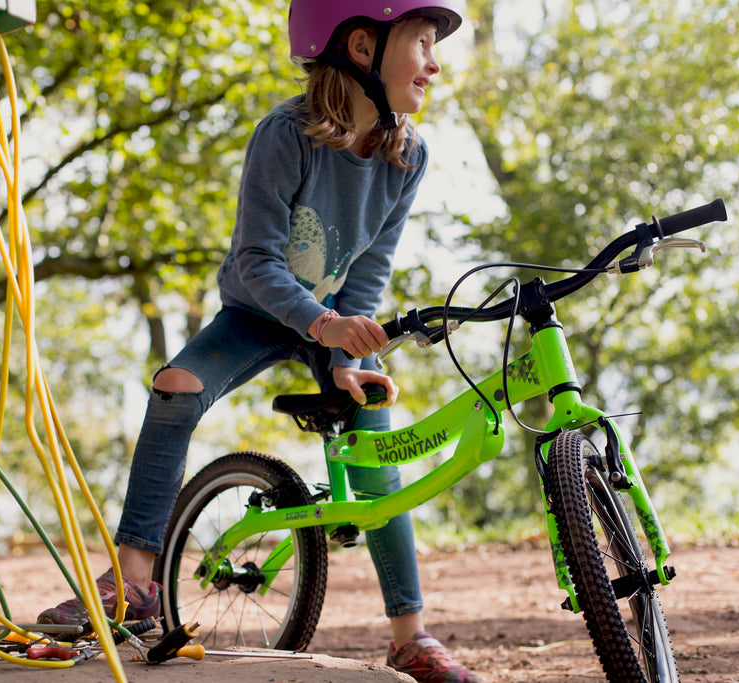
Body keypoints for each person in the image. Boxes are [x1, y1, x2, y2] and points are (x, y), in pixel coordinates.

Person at [39, 1, 483, 681]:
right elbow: (256, 260)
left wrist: (342, 356)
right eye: (421, 42)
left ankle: (409, 633)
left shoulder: (406, 155)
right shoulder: (286, 134)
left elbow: (367, 270)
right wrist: (320, 322)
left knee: (374, 443)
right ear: (361, 47)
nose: (434, 61)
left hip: (332, 323)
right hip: (258, 310)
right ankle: (134, 583)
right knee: (174, 386)